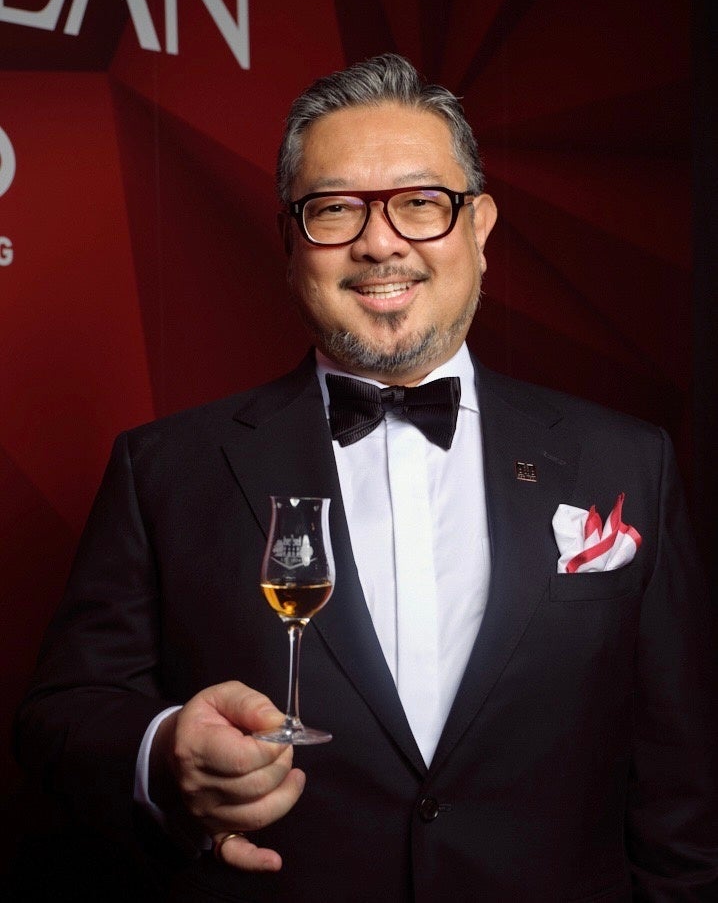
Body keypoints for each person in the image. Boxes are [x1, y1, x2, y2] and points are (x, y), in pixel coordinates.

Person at [14, 54, 717, 901]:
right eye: (335, 208)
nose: (380, 242)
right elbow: (64, 714)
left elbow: (682, 794)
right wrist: (161, 753)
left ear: (480, 228)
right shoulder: (163, 470)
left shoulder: (628, 460)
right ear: (290, 243)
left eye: (421, 202)